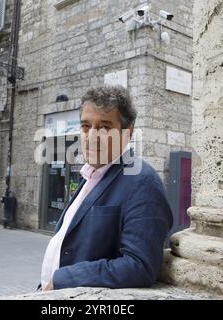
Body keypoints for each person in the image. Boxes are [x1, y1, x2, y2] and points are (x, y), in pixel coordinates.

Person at [40, 86, 173, 291]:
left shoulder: (142, 182)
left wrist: (63, 279)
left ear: (126, 133)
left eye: (104, 127)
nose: (92, 136)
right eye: (86, 126)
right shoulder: (90, 174)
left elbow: (139, 266)